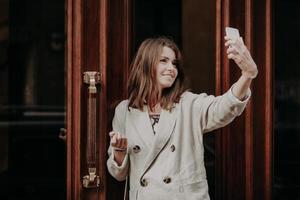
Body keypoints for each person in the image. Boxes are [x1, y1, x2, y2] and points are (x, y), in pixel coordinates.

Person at [107, 35, 258, 200]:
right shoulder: (125, 110)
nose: (171, 68)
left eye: (174, 63)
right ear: (146, 63)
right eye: (163, 61)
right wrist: (119, 151)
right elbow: (119, 175)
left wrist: (247, 75)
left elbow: (223, 107)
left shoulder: (187, 104)